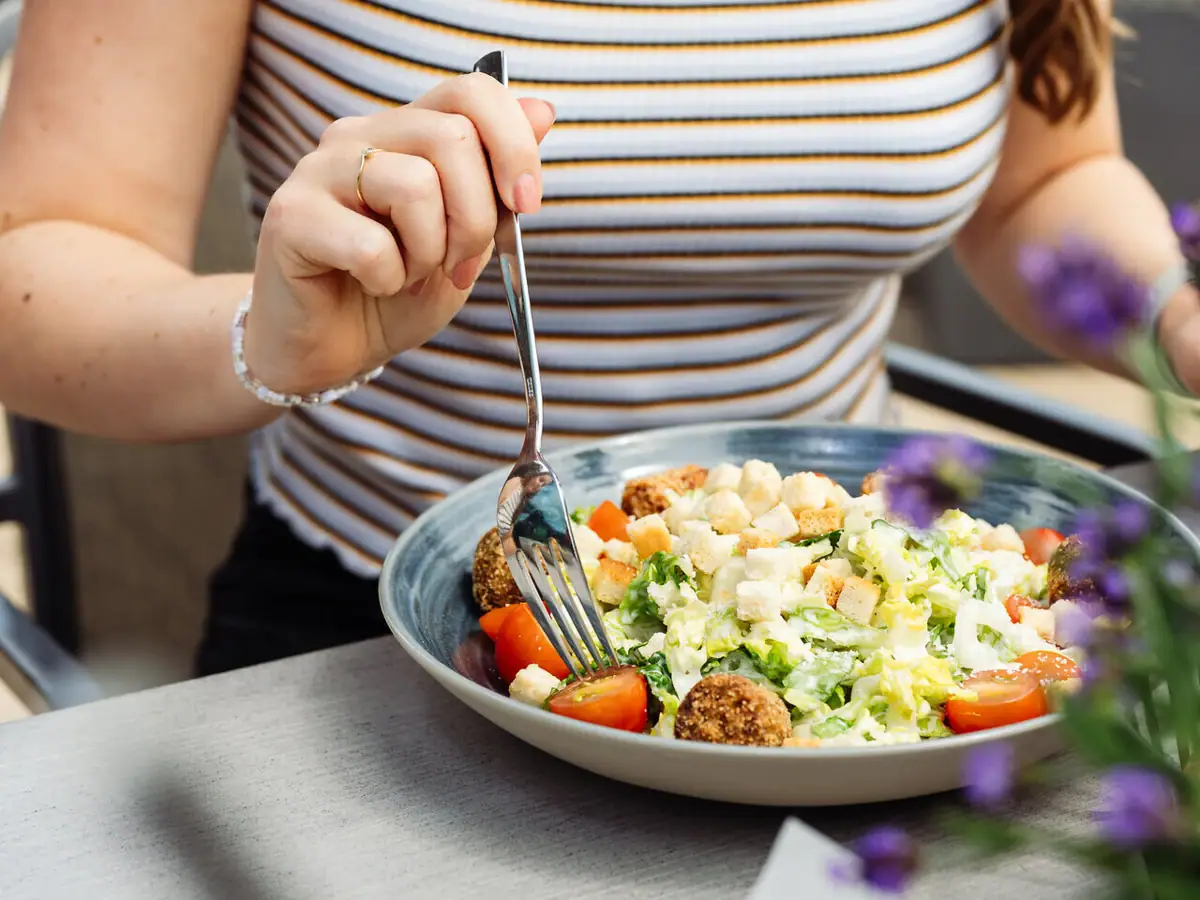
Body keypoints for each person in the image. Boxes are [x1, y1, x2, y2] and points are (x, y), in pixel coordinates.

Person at [0, 0, 1194, 675]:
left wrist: (1174, 308)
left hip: (887, 644)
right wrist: (272, 337)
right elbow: (34, 261)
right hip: (367, 643)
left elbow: (1050, 180)